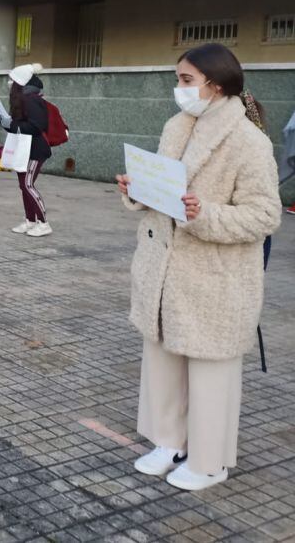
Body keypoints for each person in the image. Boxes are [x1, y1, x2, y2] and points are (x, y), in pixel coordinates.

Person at [115, 43, 280, 491]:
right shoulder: (178, 126)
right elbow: (164, 191)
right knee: (163, 356)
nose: (179, 88)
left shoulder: (249, 141)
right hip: (165, 269)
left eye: (187, 80)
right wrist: (138, 189)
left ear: (216, 84)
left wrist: (203, 214)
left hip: (215, 276)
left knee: (211, 371)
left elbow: (266, 215)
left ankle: (210, 461)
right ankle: (169, 441)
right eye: (179, 79)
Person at [0, 62, 52, 237]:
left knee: (28, 185)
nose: (10, 85)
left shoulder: (33, 100)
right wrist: (7, 124)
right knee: (24, 185)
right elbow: (21, 125)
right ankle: (30, 220)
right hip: (25, 149)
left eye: (12, 81)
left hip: (36, 150)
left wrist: (12, 125)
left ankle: (44, 223)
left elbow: (38, 126)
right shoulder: (25, 100)